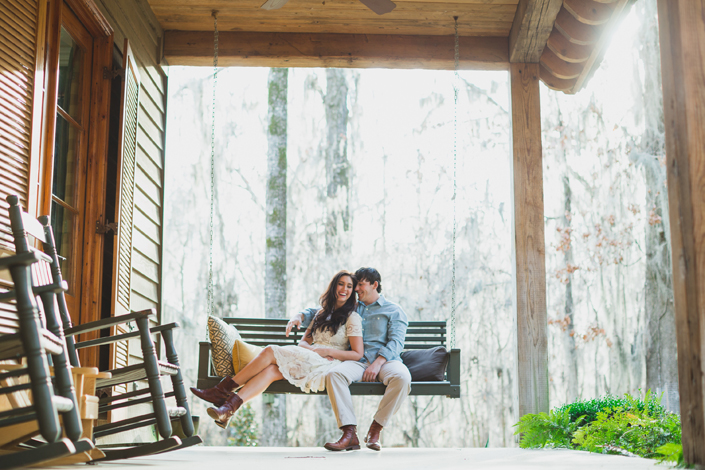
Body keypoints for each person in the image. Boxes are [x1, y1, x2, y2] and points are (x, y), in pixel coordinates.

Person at [190, 270, 364, 429]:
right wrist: (312, 350)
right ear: (334, 286)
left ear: (352, 292)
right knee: (272, 370)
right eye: (341, 284)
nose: (344, 289)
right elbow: (303, 342)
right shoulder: (320, 314)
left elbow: (357, 354)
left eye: (349, 286)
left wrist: (327, 352)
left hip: (328, 363)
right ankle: (228, 409)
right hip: (309, 357)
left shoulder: (352, 317)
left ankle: (221, 391)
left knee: (270, 350)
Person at [287, 267, 410, 452]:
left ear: (374, 285)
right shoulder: (352, 307)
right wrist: (300, 315)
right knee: (334, 374)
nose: (356, 289)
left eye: (360, 284)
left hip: (385, 361)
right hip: (356, 361)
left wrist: (377, 363)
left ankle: (376, 429)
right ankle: (349, 434)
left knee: (403, 378)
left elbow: (397, 341)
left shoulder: (394, 310)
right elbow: (319, 310)